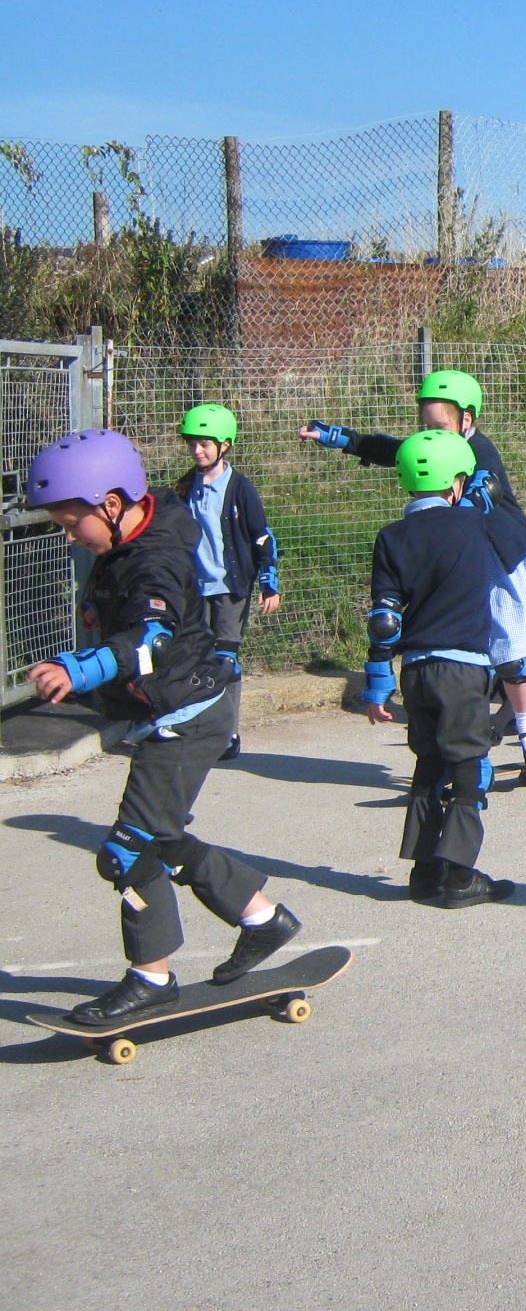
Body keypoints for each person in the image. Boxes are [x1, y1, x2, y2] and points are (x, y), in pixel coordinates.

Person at [25, 429, 301, 1026]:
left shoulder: (155, 558)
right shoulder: (145, 523)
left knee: (127, 852)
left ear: (112, 505)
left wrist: (81, 666)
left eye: (72, 524)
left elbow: (152, 638)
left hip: (188, 714)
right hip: (180, 705)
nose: (69, 536)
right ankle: (261, 918)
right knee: (163, 834)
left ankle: (151, 977)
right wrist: (99, 608)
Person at [300, 369, 526, 787]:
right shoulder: (439, 447)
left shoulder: (481, 449)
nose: (433, 436)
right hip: (461, 557)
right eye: (427, 427)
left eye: (440, 427)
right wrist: (341, 438)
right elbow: (396, 451)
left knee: (509, 652)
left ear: (467, 419)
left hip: (500, 559)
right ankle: (475, 736)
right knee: (474, 653)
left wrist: (438, 524)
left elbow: (483, 490)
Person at [362, 429, 514, 908]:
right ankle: (459, 875)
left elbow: (384, 620)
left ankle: (423, 874)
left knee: (429, 766)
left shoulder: (391, 537)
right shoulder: (471, 524)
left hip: (416, 670)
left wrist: (378, 681)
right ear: (455, 484)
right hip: (462, 667)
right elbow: (487, 493)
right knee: (470, 768)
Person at [172, 402, 280, 762]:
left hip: (229, 587)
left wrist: (269, 582)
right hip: (193, 586)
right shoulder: (185, 486)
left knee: (225, 659)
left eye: (205, 443)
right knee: (188, 656)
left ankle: (226, 732)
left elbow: (261, 537)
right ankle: (190, 723)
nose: (197, 450)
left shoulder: (240, 488)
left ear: (225, 445)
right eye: (192, 443)